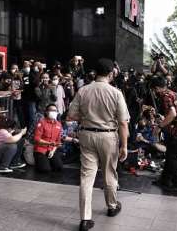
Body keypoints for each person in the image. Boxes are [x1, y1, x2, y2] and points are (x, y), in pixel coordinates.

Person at [67, 58, 130, 231]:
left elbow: (71, 115)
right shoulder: (116, 93)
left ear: (95, 72)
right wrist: (124, 146)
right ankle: (111, 206)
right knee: (109, 172)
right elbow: (123, 123)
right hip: (108, 137)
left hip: (86, 135)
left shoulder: (83, 90)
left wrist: (88, 118)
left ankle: (85, 219)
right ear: (111, 74)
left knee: (87, 176)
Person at [33, 104, 63, 173]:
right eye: (51, 110)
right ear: (46, 112)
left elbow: (58, 141)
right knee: (45, 170)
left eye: (55, 111)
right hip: (40, 149)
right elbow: (37, 139)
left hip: (51, 150)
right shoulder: (42, 122)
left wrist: (53, 151)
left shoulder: (59, 124)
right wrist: (49, 143)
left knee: (59, 167)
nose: (53, 112)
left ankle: (47, 161)